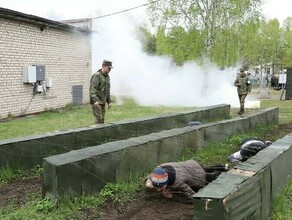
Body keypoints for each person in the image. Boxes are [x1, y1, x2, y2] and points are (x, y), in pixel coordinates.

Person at [145, 159, 228, 203]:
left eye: (161, 187)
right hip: (191, 164)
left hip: (199, 176)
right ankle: (221, 167)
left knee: (210, 177)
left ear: (167, 182)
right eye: (156, 186)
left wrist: (172, 197)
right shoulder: (158, 169)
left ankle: (220, 172)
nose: (158, 190)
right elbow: (152, 175)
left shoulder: (178, 183)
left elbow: (193, 198)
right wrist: (148, 181)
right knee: (205, 168)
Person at [89, 59, 113, 124]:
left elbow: (107, 90)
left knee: (102, 121)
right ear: (103, 66)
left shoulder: (107, 77)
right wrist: (95, 101)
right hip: (96, 103)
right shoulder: (97, 76)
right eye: (109, 68)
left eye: (110, 68)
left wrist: (109, 101)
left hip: (102, 102)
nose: (110, 70)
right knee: (98, 120)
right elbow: (92, 90)